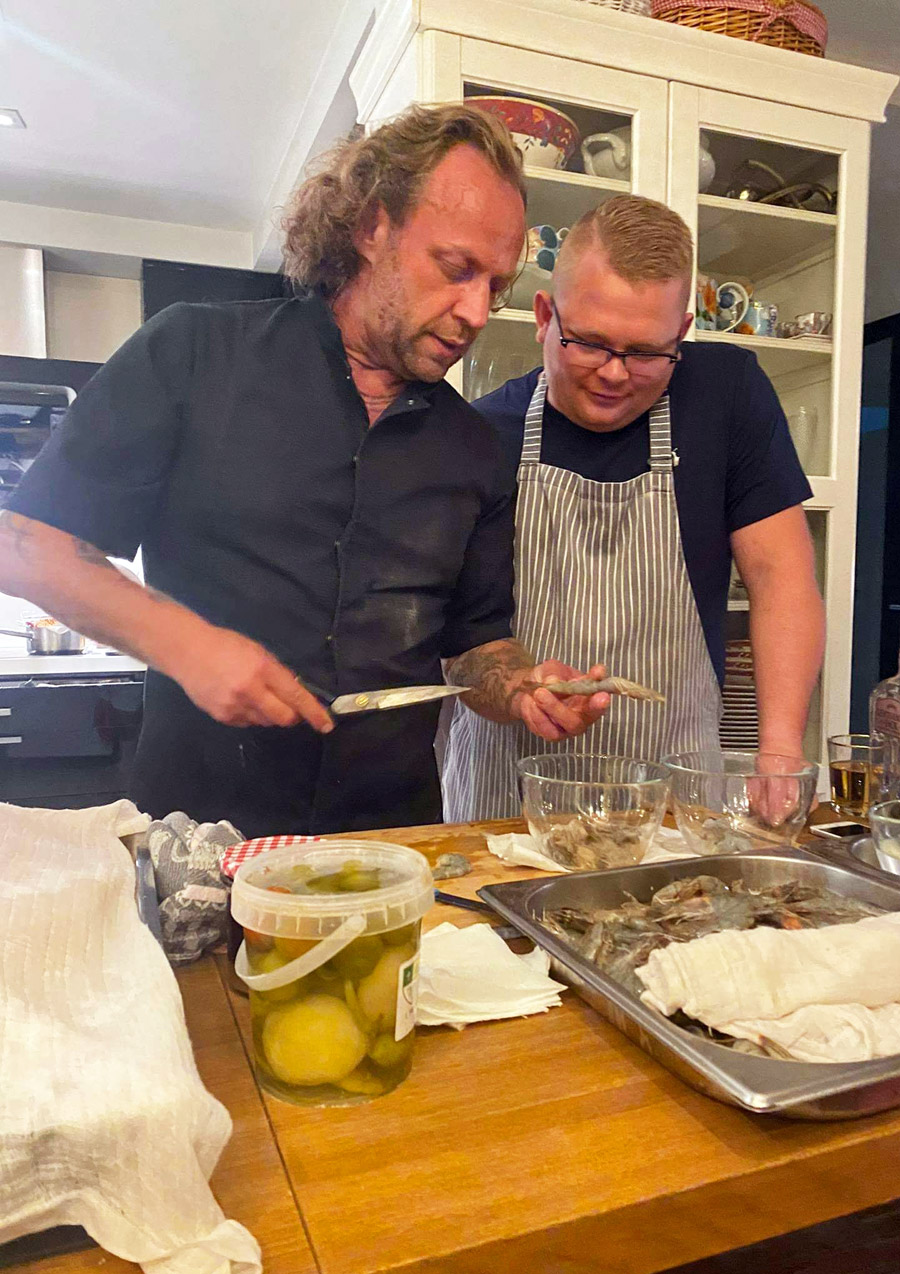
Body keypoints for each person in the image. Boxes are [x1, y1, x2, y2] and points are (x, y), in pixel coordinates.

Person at [0, 104, 608, 837]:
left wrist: (520, 688)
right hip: (202, 835)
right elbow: (26, 545)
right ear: (372, 227)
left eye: (496, 285)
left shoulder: (476, 447)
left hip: (394, 842)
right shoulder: (195, 353)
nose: (476, 311)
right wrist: (187, 645)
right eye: (456, 269)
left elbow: (475, 645)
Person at [443, 194, 824, 821]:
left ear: (682, 333)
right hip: (507, 806)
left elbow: (781, 576)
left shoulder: (728, 396)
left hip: (674, 803)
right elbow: (462, 646)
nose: (615, 374)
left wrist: (780, 747)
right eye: (589, 343)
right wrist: (522, 692)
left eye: (646, 353)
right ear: (545, 316)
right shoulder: (477, 436)